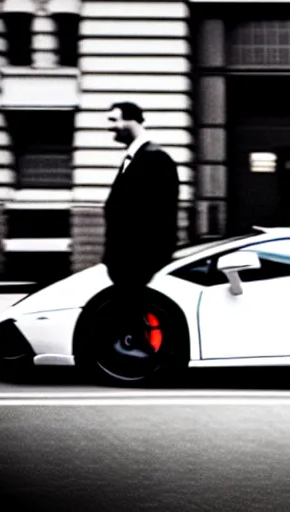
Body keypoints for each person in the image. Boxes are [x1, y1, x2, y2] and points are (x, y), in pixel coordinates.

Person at [102, 101, 179, 356]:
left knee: (135, 322)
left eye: (114, 120)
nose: (110, 127)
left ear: (131, 121)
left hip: (136, 261)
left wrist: (140, 261)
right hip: (127, 261)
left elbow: (160, 215)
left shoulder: (154, 158)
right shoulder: (136, 157)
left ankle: (139, 355)